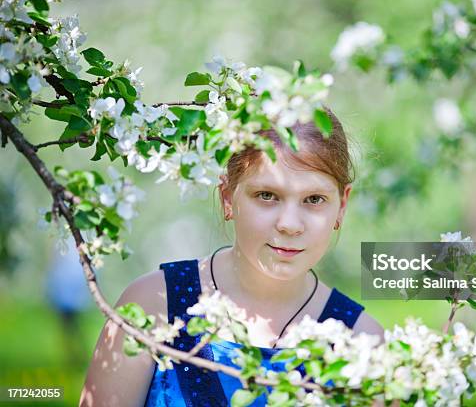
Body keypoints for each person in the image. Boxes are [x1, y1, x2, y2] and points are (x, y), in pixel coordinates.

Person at [79, 110, 384, 407]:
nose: (290, 224)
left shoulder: (361, 343)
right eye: (267, 195)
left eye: (314, 199)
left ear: (341, 206)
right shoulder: (153, 305)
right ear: (228, 196)